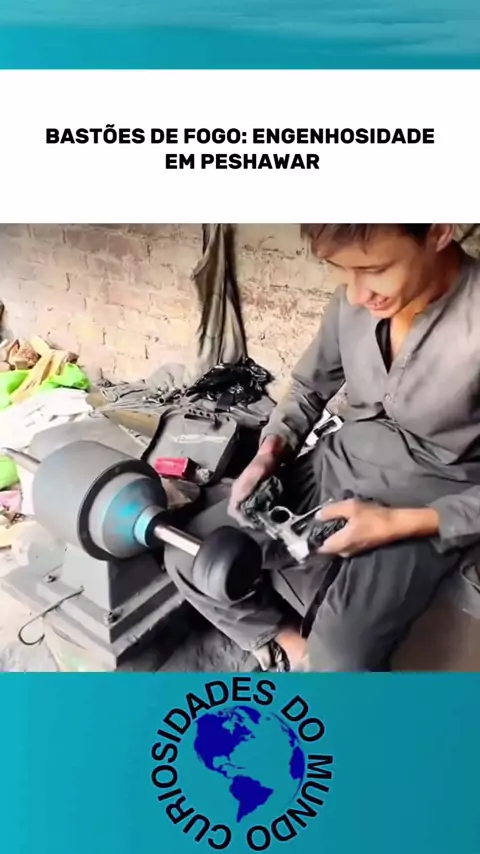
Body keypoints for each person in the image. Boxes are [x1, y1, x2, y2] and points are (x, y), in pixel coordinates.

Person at [164, 223, 480, 672]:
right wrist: (269, 452)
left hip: (431, 492)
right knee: (188, 552)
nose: (355, 294)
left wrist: (398, 524)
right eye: (341, 270)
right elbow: (309, 387)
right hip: (340, 460)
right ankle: (288, 645)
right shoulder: (354, 302)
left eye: (375, 269)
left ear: (439, 230)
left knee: (341, 656)